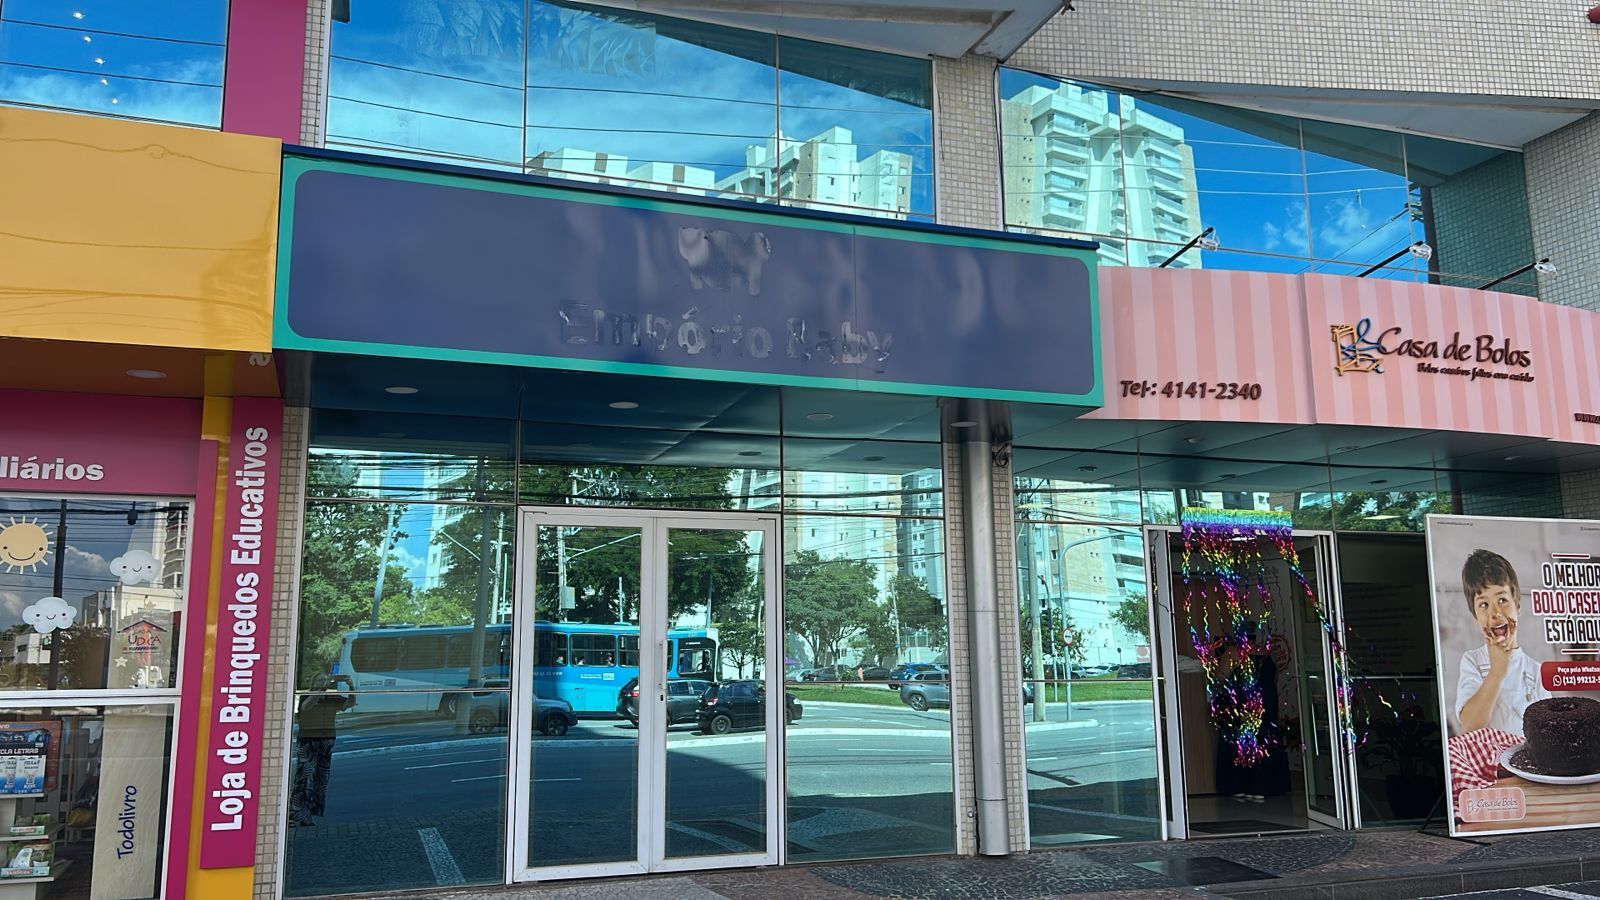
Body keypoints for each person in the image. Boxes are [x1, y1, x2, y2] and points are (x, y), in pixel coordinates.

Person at [1456, 548, 1549, 734]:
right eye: (1484, 604)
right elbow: (1469, 726)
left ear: (1518, 606)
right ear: (1476, 618)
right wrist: (1496, 672)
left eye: (1502, 600)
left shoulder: (1536, 671)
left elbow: (1547, 731)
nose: (1495, 613)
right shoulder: (1472, 661)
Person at [289, 676, 354, 826]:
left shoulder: (331, 698)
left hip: (327, 739)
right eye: (319, 680)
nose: (323, 682)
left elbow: (349, 703)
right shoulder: (307, 696)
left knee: (321, 777)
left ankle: (308, 815)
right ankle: (295, 814)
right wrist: (321, 689)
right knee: (304, 777)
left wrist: (351, 687)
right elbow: (306, 707)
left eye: (325, 680)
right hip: (309, 739)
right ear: (313, 683)